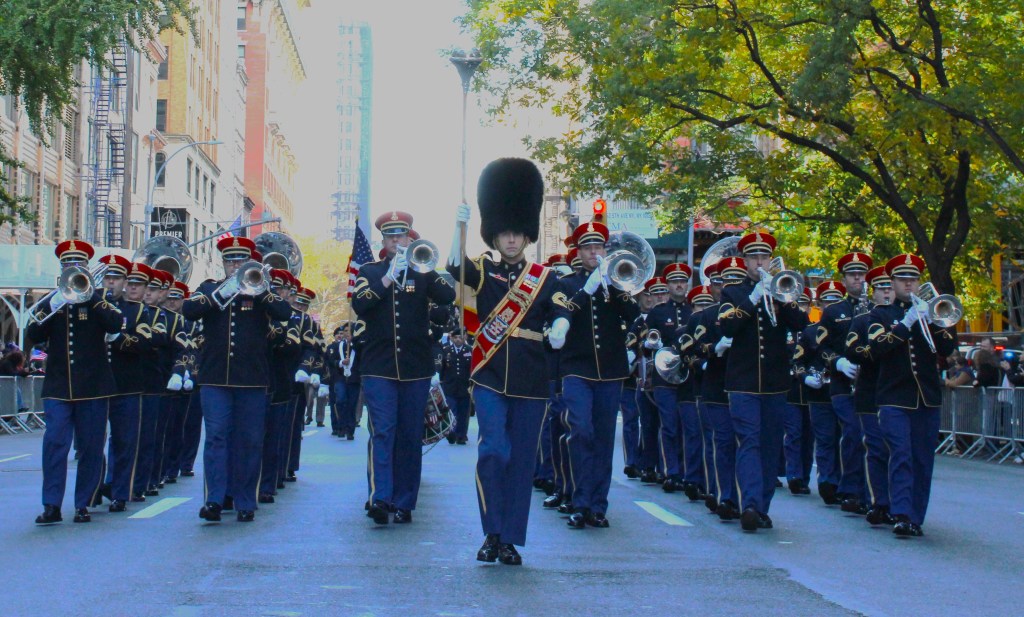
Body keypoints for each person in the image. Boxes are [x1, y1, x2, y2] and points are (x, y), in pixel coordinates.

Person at [446, 158, 562, 565]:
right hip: (490, 374)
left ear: (527, 235)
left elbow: (560, 307)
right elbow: (455, 268)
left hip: (532, 378)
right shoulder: (483, 270)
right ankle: (491, 531)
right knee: (493, 451)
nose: (511, 240)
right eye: (504, 233)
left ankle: (509, 538)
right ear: (494, 235)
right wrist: (456, 228)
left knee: (522, 460)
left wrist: (561, 324)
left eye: (517, 233)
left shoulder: (545, 277)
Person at [354, 210, 455, 526]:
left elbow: (447, 295)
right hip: (378, 365)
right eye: (391, 236)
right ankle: (380, 498)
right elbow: (361, 303)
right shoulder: (370, 271)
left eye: (401, 235)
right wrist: (388, 277)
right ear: (383, 240)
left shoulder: (422, 270)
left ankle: (404, 501)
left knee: (410, 435)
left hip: (415, 366)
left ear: (409, 237)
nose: (396, 240)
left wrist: (424, 267)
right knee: (383, 431)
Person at [183, 236, 292, 523]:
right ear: (223, 263)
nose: (235, 265)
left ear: (249, 262)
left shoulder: (260, 290)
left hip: (252, 379)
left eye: (240, 260)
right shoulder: (209, 288)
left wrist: (262, 290)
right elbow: (189, 310)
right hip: (215, 377)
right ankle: (215, 500)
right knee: (216, 438)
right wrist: (222, 293)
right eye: (230, 260)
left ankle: (245, 500)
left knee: (249, 440)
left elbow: (284, 313)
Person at [551, 220, 640, 530]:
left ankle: (597, 506)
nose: (593, 253)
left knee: (603, 439)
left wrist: (615, 286)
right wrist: (587, 289)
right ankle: (579, 502)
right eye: (588, 248)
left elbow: (634, 315)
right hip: (576, 369)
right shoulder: (566, 285)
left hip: (610, 371)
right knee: (581, 431)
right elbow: (562, 312)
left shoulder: (615, 284)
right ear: (579, 252)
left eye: (598, 247)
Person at [719, 231, 809, 532]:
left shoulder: (782, 290)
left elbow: (802, 325)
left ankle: (762, 507)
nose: (759, 262)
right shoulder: (733, 293)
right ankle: (749, 504)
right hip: (742, 382)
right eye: (754, 257)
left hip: (775, 382)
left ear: (771, 260)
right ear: (745, 261)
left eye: (764, 257)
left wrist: (785, 299)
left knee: (770, 447)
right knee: (749, 441)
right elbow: (728, 327)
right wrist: (753, 298)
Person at [29, 240, 123, 525]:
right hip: (59, 386)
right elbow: (33, 334)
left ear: (86, 267)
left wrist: (91, 295)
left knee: (91, 447)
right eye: (68, 264)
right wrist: (55, 302)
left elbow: (115, 324)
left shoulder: (99, 299)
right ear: (61, 269)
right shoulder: (52, 300)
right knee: (55, 444)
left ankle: (84, 502)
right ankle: (51, 505)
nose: (73, 268)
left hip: (93, 387)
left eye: (78, 264)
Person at [868, 253, 958, 537]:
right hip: (894, 397)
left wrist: (935, 321)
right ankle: (902, 514)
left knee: (922, 459)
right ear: (892, 283)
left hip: (926, 397)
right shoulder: (881, 315)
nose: (909, 284)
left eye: (913, 279)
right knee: (901, 454)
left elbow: (947, 348)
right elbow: (877, 349)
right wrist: (906, 323)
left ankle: (916, 517)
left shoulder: (932, 312)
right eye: (902, 279)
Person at [845, 264, 896, 526]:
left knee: (897, 450)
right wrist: (875, 351)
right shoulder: (863, 320)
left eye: (890, 288)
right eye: (882, 289)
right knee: (876, 448)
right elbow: (852, 349)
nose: (886, 293)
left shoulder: (905, 317)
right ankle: (879, 502)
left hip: (897, 393)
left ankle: (899, 503)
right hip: (870, 392)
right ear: (873, 292)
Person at [439, 330, 472, 445]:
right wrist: (441, 382)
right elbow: (442, 369)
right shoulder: (446, 350)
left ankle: (461, 435)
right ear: (452, 338)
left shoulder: (469, 350)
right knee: (452, 411)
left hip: (465, 387)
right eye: (456, 337)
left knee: (464, 412)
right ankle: (451, 433)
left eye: (460, 337)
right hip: (450, 387)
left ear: (465, 337)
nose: (458, 339)